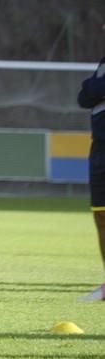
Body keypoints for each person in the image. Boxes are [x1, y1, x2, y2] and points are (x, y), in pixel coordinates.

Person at [77, 27, 105, 301]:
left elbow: (91, 90)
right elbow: (84, 97)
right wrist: (95, 87)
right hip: (99, 148)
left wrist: (94, 88)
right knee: (100, 215)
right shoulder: (102, 64)